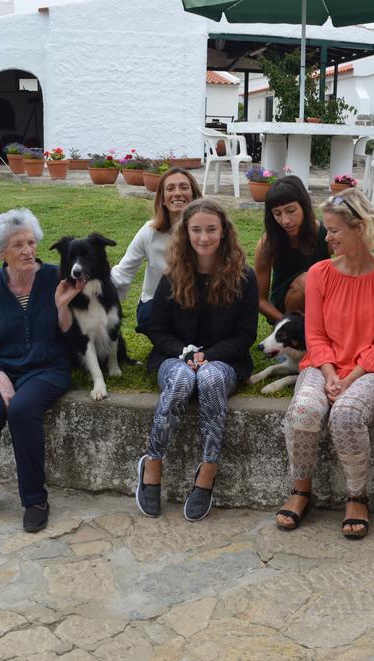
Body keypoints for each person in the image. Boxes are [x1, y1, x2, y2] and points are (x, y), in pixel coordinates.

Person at [276, 188, 374, 539]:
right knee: (304, 409)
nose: (328, 237)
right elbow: (314, 335)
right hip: (324, 366)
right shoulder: (320, 273)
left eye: (334, 230)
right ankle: (301, 490)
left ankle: (357, 496)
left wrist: (350, 380)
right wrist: (332, 374)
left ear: (360, 228)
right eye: (328, 230)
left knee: (347, 414)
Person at [0, 208, 84, 532]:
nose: (27, 250)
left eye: (30, 242)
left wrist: (62, 306)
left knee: (23, 410)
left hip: (48, 368)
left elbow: (71, 337)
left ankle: (35, 499)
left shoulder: (55, 278)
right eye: (17, 245)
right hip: (1, 369)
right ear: (2, 253)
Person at [134, 198, 259, 521]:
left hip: (223, 360)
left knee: (209, 378)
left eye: (211, 230)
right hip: (175, 356)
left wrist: (208, 356)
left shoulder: (243, 277)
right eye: (196, 230)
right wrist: (186, 353)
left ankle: (208, 469)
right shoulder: (174, 275)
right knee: (182, 379)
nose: (204, 237)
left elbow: (246, 336)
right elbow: (157, 330)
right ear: (185, 234)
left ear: (224, 232)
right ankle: (152, 462)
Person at [111, 167, 203, 326]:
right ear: (162, 199)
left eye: (184, 187)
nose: (177, 193)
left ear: (194, 195)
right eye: (170, 188)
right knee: (152, 317)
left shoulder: (207, 230)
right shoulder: (149, 231)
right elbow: (123, 273)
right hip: (157, 302)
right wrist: (91, 282)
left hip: (197, 302)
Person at [253, 175, 329, 323]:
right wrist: (286, 322)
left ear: (304, 206)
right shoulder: (267, 243)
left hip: (322, 302)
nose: (285, 220)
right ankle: (295, 335)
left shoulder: (325, 234)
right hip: (287, 308)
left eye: (291, 210)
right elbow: (259, 300)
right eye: (277, 213)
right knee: (307, 280)